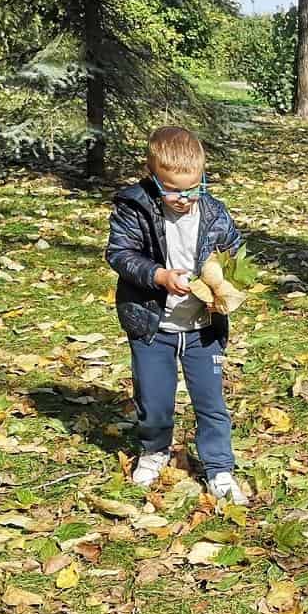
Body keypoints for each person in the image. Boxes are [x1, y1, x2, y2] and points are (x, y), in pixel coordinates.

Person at [104, 125, 248, 503]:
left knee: (211, 402)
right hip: (153, 325)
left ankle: (219, 467)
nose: (183, 199)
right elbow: (120, 254)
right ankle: (155, 450)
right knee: (154, 401)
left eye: (193, 189)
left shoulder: (215, 213)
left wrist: (224, 288)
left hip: (203, 328)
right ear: (151, 175)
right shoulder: (135, 208)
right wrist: (159, 276)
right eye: (172, 190)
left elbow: (235, 255)